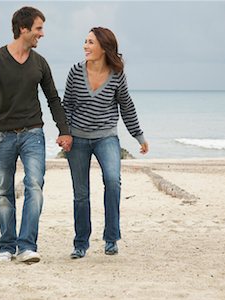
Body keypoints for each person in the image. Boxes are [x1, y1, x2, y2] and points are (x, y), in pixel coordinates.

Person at [0, 6, 72, 264]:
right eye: (38, 28)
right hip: (2, 135)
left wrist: (64, 131)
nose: (42, 34)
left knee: (35, 186)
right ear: (23, 29)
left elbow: (53, 98)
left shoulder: (40, 63)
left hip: (33, 133)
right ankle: (6, 246)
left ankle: (27, 245)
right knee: (4, 191)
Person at [62, 27, 149, 259]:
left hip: (106, 137)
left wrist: (138, 136)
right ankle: (81, 243)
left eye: (90, 42)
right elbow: (67, 105)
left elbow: (126, 106)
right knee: (81, 193)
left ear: (103, 47)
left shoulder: (117, 75)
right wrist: (66, 134)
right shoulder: (75, 71)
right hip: (78, 139)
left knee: (113, 181)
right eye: (85, 41)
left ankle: (111, 238)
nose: (85, 46)